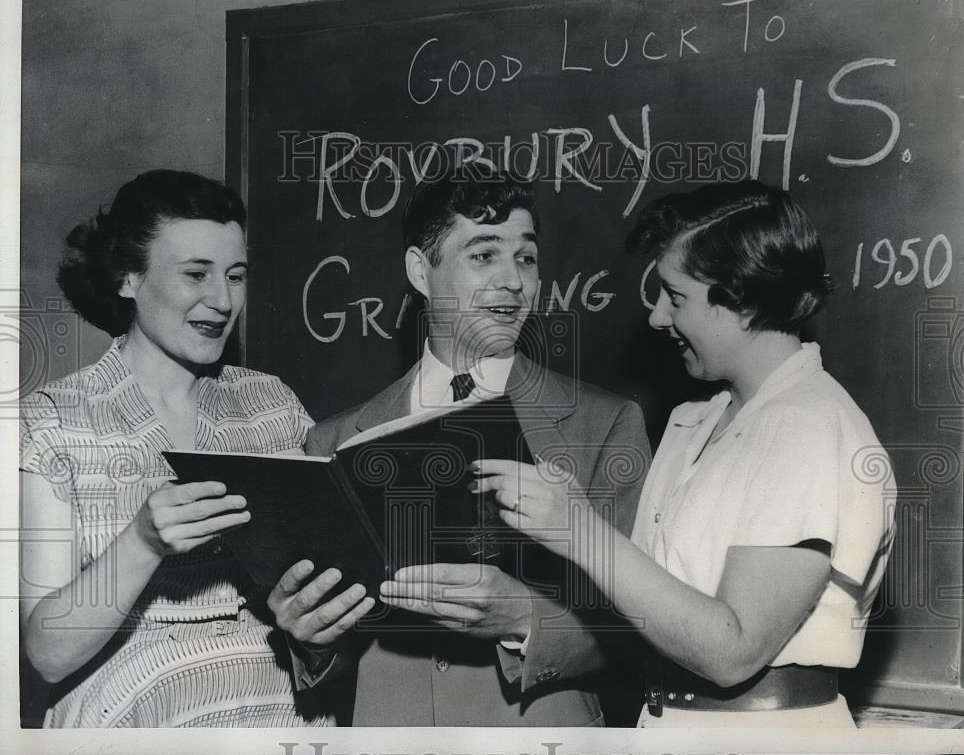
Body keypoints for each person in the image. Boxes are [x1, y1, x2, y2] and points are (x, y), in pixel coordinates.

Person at [474, 180, 897, 728]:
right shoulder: (695, 421)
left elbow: (732, 651)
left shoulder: (810, 426)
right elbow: (656, 606)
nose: (655, 317)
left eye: (676, 298)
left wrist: (579, 528)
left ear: (741, 300)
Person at [267, 166, 651, 726]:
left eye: (526, 257)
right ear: (420, 271)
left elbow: (641, 627)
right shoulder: (333, 439)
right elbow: (327, 641)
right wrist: (309, 635)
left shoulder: (606, 424)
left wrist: (523, 619)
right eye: (483, 255)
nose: (513, 281)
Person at [19, 170, 337, 727]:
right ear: (126, 276)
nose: (222, 301)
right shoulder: (54, 422)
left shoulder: (272, 405)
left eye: (235, 276)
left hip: (277, 720)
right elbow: (47, 656)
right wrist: (142, 542)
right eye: (196, 274)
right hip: (129, 723)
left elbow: (323, 590)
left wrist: (313, 628)